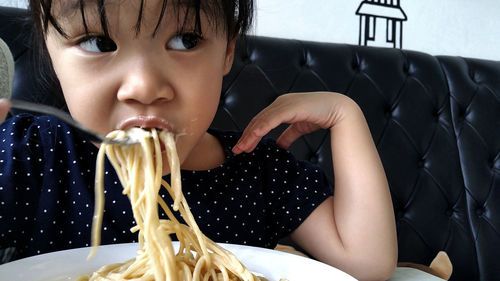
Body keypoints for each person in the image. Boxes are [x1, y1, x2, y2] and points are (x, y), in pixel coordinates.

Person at [0, 0, 397, 280]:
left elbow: (366, 264)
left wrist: (346, 116)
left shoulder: (259, 170)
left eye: (185, 40)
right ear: (51, 53)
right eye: (98, 43)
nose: (144, 86)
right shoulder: (33, 156)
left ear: (227, 51)